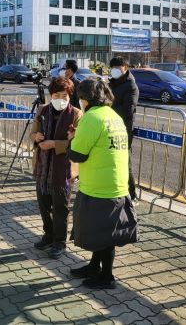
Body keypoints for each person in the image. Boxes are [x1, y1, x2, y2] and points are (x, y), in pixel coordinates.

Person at [67, 78, 138, 290]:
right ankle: (94, 266)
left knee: (105, 235)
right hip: (116, 184)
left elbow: (77, 154)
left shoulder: (91, 118)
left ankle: (106, 276)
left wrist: (72, 138)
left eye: (80, 98)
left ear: (85, 99)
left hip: (98, 186)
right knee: (103, 232)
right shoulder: (113, 116)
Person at [29, 77, 82, 259]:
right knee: (43, 204)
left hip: (64, 170)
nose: (61, 99)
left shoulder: (76, 114)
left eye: (64, 95)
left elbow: (77, 142)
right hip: (42, 167)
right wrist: (36, 137)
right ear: (50, 95)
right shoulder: (43, 110)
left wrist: (54, 144)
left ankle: (60, 241)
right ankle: (48, 234)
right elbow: (32, 131)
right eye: (57, 95)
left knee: (61, 208)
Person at [108, 56, 139, 201]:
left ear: (125, 68)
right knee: (111, 161)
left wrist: (107, 111)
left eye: (118, 67)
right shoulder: (112, 83)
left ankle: (132, 195)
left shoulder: (131, 85)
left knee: (125, 162)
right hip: (108, 128)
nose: (115, 70)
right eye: (113, 67)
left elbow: (128, 109)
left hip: (123, 129)